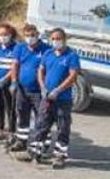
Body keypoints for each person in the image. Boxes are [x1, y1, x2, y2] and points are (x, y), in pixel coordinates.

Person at [27, 28, 80, 169]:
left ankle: (59, 156)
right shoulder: (48, 53)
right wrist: (43, 87)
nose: (56, 41)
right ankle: (35, 152)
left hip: (63, 100)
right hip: (47, 98)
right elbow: (41, 71)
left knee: (63, 127)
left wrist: (58, 90)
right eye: (53, 39)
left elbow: (73, 76)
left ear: (64, 39)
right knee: (41, 125)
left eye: (58, 38)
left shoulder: (71, 56)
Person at [10, 24, 51, 152]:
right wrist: (14, 81)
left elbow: (48, 69)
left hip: (39, 91)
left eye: (32, 35)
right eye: (27, 35)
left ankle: (43, 143)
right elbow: (15, 65)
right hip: (22, 89)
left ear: (38, 35)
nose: (30, 38)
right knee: (22, 114)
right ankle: (21, 141)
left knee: (42, 117)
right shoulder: (20, 47)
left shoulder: (46, 49)